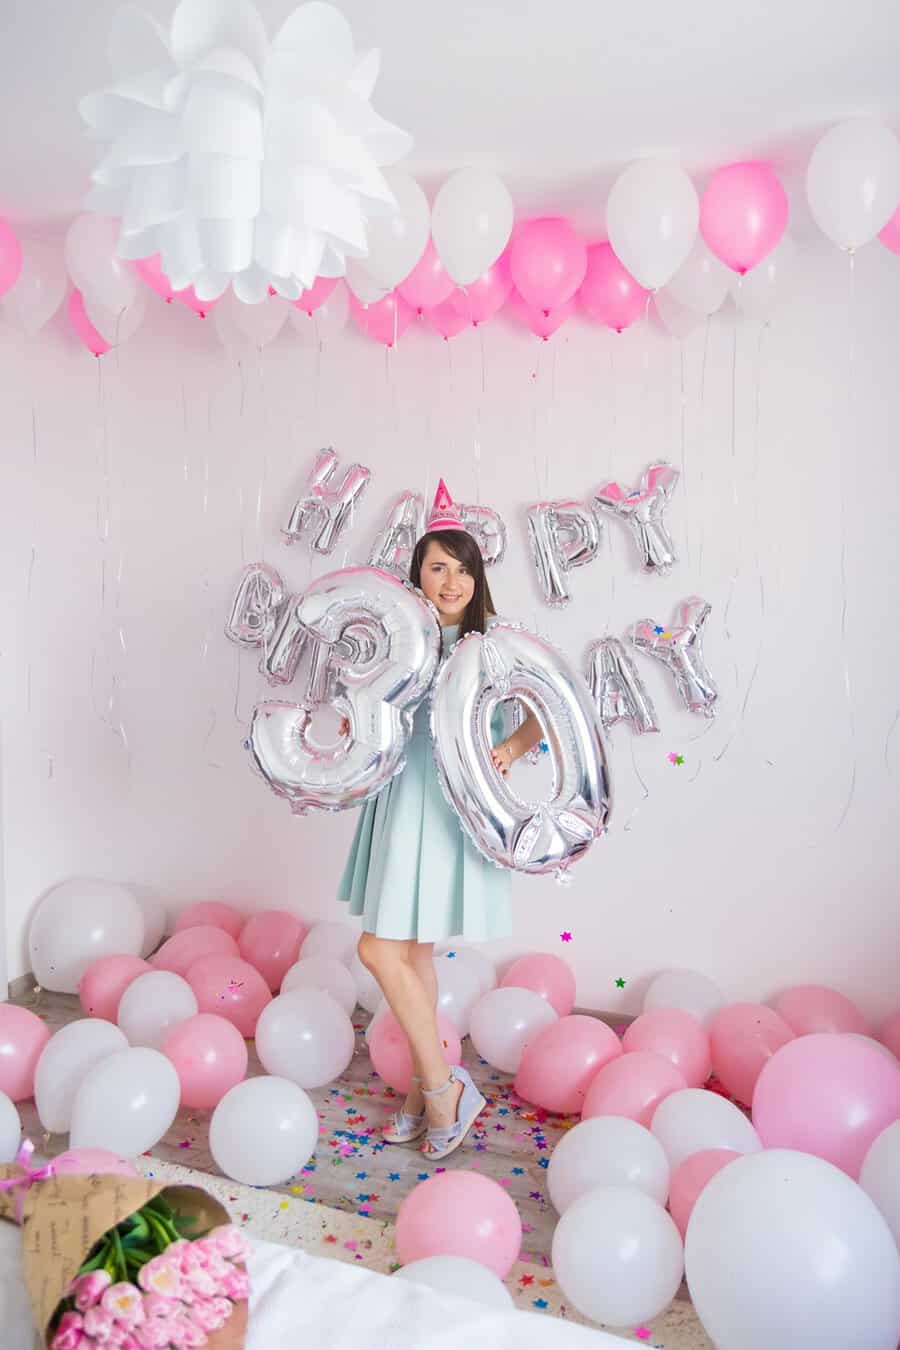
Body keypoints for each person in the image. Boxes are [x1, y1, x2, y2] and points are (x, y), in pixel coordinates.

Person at [336, 479, 543, 1160]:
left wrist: (505, 752)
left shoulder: (491, 644)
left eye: (463, 567)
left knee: (379, 949)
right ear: (416, 577)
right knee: (410, 951)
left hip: (444, 810)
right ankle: (433, 1087)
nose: (451, 580)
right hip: (397, 801)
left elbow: (546, 714)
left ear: (477, 578)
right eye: (438, 566)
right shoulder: (401, 644)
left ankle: (439, 1089)